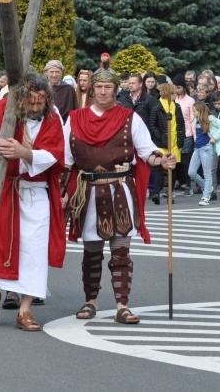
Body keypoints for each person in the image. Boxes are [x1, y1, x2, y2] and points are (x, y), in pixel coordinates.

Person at [63, 68, 177, 325]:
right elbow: (66, 161)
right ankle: (90, 301)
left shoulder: (130, 118)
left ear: (116, 90)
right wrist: (61, 194)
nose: (103, 92)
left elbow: (147, 151)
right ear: (92, 89)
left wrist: (162, 160)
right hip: (88, 192)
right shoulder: (75, 119)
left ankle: (122, 306)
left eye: (108, 87)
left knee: (121, 251)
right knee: (91, 252)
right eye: (99, 87)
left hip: (120, 191)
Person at [0, 72, 66, 331]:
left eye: (40, 101)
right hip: (0, 188)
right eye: (31, 101)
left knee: (34, 250)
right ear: (21, 98)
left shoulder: (52, 117)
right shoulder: (1, 109)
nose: (35, 106)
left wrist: (25, 153)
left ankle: (25, 310)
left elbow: (57, 154)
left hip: (35, 192)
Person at [149, 82, 185, 203]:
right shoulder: (157, 106)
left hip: (174, 142)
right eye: (174, 93)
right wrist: (160, 137)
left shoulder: (177, 107)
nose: (176, 95)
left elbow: (181, 123)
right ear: (168, 94)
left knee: (172, 169)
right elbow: (152, 125)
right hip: (162, 143)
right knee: (159, 168)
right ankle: (156, 193)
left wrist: (181, 136)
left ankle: (170, 193)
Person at [189, 101, 220, 206]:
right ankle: (208, 187)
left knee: (207, 173)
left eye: (194, 111)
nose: (193, 113)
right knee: (191, 172)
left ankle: (206, 197)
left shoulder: (210, 119)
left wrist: (215, 138)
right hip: (197, 148)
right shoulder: (196, 119)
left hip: (206, 148)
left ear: (200, 111)